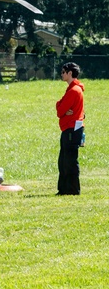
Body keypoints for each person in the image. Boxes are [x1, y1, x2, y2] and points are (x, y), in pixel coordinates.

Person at [56, 62, 85, 195]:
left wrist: (62, 108)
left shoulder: (74, 90)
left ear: (70, 73)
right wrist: (61, 107)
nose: (62, 74)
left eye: (63, 72)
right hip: (70, 129)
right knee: (64, 160)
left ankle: (72, 189)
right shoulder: (72, 89)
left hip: (71, 130)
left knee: (69, 161)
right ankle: (64, 189)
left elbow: (60, 110)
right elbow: (60, 105)